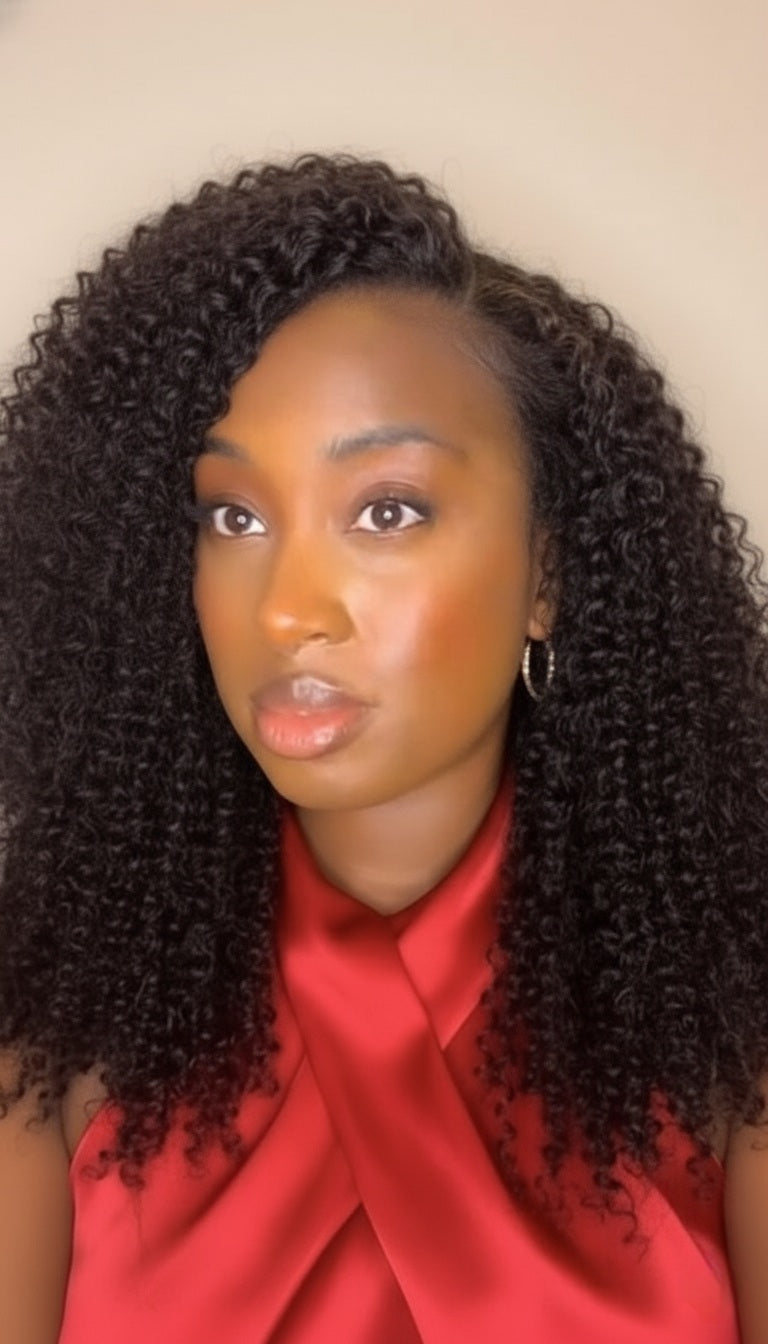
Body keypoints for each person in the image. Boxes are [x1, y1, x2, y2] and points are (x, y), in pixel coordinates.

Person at [0, 154, 767, 1344]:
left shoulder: (728, 1036)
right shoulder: (52, 1036)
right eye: (233, 515)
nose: (287, 609)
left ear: (550, 574)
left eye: (386, 510)